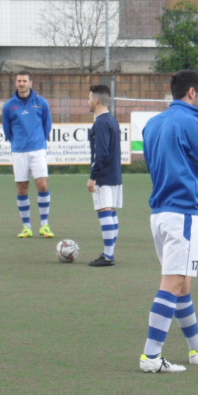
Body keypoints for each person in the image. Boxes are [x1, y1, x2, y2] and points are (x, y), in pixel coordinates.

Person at [139, 69, 198, 373]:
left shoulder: (153, 124)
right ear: (192, 93)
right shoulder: (190, 123)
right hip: (182, 213)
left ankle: (197, 349)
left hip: (160, 212)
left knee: (183, 284)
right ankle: (151, 356)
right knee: (174, 282)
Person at [2, 71, 54, 238]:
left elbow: (47, 124)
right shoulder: (9, 106)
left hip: (38, 149)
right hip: (19, 151)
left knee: (42, 185)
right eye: (19, 81)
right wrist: (18, 142)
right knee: (22, 187)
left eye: (24, 81)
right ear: (15, 83)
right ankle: (26, 227)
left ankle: (44, 225)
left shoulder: (41, 103)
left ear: (30, 83)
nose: (22, 84)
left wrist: (39, 141)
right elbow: (7, 130)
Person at [86, 84, 122, 267]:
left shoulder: (100, 123)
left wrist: (93, 177)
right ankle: (109, 253)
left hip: (104, 175)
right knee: (112, 213)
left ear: (96, 101)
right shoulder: (112, 120)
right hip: (115, 174)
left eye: (89, 98)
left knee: (104, 212)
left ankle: (108, 256)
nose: (87, 102)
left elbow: (102, 153)